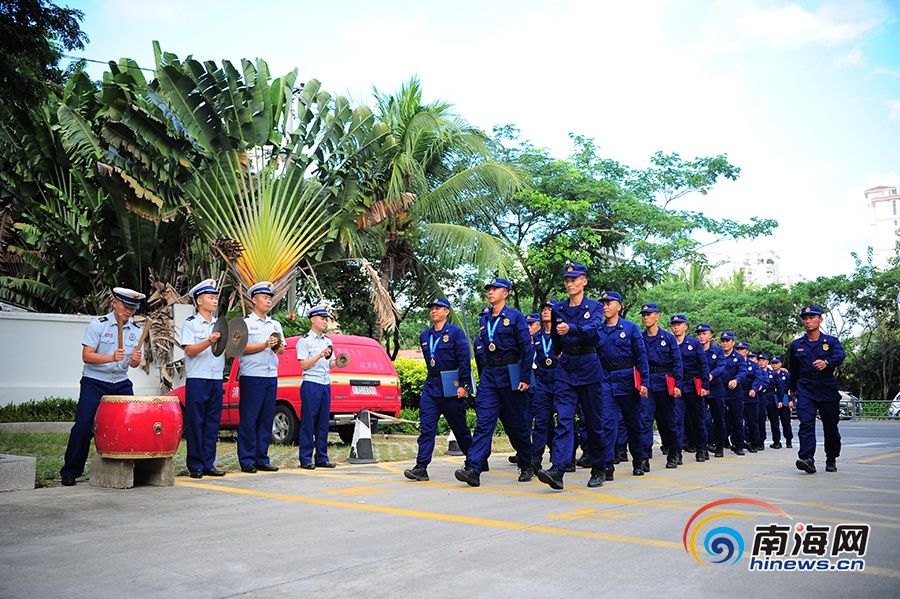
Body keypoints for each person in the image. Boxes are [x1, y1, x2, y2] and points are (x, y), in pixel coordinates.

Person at [60, 287, 146, 486]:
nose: (129, 312)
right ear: (115, 303)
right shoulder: (98, 325)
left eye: (133, 309)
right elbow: (87, 356)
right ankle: (70, 471)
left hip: (121, 382)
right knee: (84, 424)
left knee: (131, 423)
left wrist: (135, 360)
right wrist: (110, 357)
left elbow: (132, 365)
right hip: (95, 382)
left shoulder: (136, 330)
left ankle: (131, 468)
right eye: (126, 307)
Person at [455, 277, 533, 487]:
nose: (490, 292)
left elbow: (527, 349)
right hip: (490, 375)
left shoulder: (516, 317)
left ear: (505, 293)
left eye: (495, 289)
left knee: (516, 425)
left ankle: (527, 463)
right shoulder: (485, 319)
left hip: (511, 374)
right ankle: (473, 468)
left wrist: (525, 377)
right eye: (489, 289)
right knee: (483, 424)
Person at [536, 264, 606, 490]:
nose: (569, 284)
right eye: (567, 280)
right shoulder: (558, 309)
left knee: (593, 422)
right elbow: (556, 340)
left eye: (574, 279)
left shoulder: (595, 307)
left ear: (584, 281)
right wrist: (558, 349)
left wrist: (572, 329)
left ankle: (599, 468)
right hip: (565, 368)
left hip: (588, 366)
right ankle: (558, 469)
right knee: (564, 421)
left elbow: (593, 329)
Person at [404, 297, 473, 482]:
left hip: (451, 385)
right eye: (432, 308)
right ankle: (421, 467)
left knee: (460, 429)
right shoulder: (425, 336)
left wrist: (464, 385)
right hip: (431, 385)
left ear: (447, 311)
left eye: (438, 308)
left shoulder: (456, 333)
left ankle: (475, 460)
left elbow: (464, 359)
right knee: (427, 428)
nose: (434, 311)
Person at [597, 291, 649, 477]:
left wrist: (645, 381)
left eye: (609, 303)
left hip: (628, 381)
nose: (605, 306)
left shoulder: (630, 328)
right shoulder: (598, 330)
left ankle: (638, 460)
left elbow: (641, 356)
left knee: (633, 423)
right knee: (607, 424)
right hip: (606, 381)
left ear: (618, 306)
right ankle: (607, 466)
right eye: (603, 303)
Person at [790, 305, 846, 474]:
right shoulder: (796, 345)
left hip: (826, 387)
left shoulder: (831, 342)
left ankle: (831, 458)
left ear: (820, 320)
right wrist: (792, 390)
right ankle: (807, 458)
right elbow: (793, 369)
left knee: (830, 425)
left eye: (812, 317)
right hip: (806, 387)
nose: (808, 321)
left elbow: (840, 356)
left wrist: (827, 363)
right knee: (806, 423)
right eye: (805, 318)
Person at [181, 278, 227, 478]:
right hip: (198, 378)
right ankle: (195, 465)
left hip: (216, 378)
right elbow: (190, 350)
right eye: (211, 297)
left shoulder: (219, 324)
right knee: (196, 422)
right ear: (199, 301)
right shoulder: (191, 324)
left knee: (212, 423)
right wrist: (209, 340)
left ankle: (209, 463)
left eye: (216, 297)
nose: (215, 300)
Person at [237, 281, 284, 473]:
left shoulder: (275, 324)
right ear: (254, 300)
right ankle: (247, 460)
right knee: (249, 419)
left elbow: (281, 349)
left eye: (270, 298)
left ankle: (262, 457)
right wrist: (265, 344)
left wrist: (276, 345)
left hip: (270, 375)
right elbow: (240, 348)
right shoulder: (245, 323)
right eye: (265, 298)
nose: (268, 301)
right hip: (252, 375)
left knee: (266, 419)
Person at [296, 305, 342, 469]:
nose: (324, 321)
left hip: (325, 383)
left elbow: (330, 364)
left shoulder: (328, 341)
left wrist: (339, 362)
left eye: (326, 319)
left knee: (323, 422)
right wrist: (319, 355)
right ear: (312, 319)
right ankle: (306, 458)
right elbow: (303, 365)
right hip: (311, 383)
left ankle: (322, 457)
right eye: (322, 318)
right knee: (308, 421)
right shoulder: (305, 341)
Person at [640, 303, 683, 470]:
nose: (646, 317)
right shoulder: (640, 338)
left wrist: (677, 384)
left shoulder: (668, 338)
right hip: (647, 383)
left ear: (657, 316)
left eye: (649, 314)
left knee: (668, 422)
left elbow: (677, 362)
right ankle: (644, 457)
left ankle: (674, 452)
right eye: (643, 314)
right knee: (644, 421)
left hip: (665, 383)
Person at [671, 315, 710, 462]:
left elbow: (703, 365)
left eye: (679, 324)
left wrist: (705, 386)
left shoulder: (694, 344)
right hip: (677, 387)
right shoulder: (669, 342)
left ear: (685, 326)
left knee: (697, 420)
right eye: (674, 324)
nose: (676, 327)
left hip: (694, 385)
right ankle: (676, 453)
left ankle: (701, 448)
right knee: (677, 421)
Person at [529, 299, 557, 473]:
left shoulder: (561, 333)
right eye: (544, 309)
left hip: (559, 379)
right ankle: (536, 458)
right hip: (542, 380)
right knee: (541, 421)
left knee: (562, 421)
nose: (546, 311)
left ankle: (562, 457)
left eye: (549, 309)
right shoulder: (537, 337)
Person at [695, 324, 727, 458]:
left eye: (704, 333)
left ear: (710, 335)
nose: (701, 336)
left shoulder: (718, 351)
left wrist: (711, 375)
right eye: (699, 334)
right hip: (699, 388)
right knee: (700, 419)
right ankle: (702, 448)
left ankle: (720, 445)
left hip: (715, 388)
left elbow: (721, 366)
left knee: (718, 418)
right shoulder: (695, 350)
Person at [719, 331, 750, 455]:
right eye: (723, 341)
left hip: (734, 391)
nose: (725, 343)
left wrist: (737, 380)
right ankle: (720, 444)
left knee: (737, 419)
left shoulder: (739, 357)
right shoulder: (718, 355)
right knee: (719, 419)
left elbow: (743, 371)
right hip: (720, 389)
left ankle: (738, 444)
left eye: (728, 341)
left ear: (733, 342)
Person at [736, 342, 762, 453]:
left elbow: (758, 378)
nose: (739, 351)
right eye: (738, 349)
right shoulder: (734, 363)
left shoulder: (753, 365)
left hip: (750, 394)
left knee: (752, 421)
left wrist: (754, 389)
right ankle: (738, 442)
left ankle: (755, 443)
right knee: (737, 421)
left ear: (747, 351)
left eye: (742, 349)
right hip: (738, 394)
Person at [771, 356, 793, 448]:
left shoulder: (786, 375)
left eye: (776, 363)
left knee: (786, 421)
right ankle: (776, 441)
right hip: (772, 397)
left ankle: (788, 440)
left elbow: (792, 388)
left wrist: (791, 400)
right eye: (773, 363)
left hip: (784, 398)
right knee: (774, 422)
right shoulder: (769, 374)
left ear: (780, 364)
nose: (774, 365)